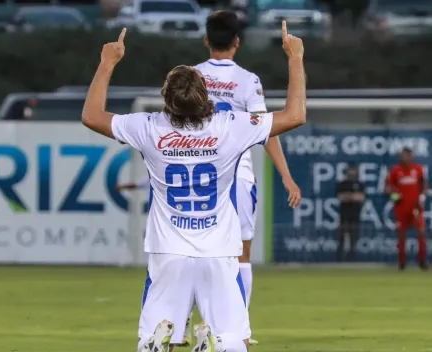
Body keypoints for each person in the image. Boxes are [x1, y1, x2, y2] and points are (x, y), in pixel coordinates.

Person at [82, 22, 306, 352]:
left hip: (168, 251)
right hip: (218, 250)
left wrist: (107, 63)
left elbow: (91, 115)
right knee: (235, 340)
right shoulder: (230, 126)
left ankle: (161, 343)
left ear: (166, 98)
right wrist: (295, 57)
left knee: (155, 338)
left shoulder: (148, 127)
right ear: (205, 96)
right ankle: (217, 345)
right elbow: (295, 114)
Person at [193, 10, 302, 347]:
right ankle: (238, 331)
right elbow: (267, 131)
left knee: (193, 250)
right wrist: (286, 176)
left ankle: (186, 322)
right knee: (240, 255)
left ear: (206, 40)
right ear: (237, 42)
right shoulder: (248, 80)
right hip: (237, 175)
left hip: (195, 173)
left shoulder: (189, 76)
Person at [386, 147, 428, 270]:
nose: (403, 158)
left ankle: (422, 262)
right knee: (401, 235)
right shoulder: (395, 171)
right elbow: (388, 188)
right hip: (401, 208)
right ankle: (402, 263)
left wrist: (422, 197)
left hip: (416, 207)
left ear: (411, 156)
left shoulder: (418, 169)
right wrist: (395, 196)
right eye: (402, 155)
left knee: (421, 231)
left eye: (406, 155)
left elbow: (424, 185)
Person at [336, 165, 365, 262]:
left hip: (355, 216)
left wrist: (348, 196)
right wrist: (353, 196)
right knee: (341, 239)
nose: (352, 173)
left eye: (354, 171)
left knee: (354, 239)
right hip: (344, 216)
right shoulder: (343, 184)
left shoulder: (359, 184)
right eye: (350, 171)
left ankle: (352, 259)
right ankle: (339, 259)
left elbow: (361, 197)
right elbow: (340, 197)